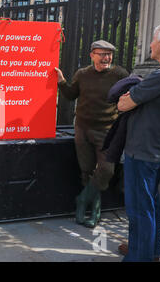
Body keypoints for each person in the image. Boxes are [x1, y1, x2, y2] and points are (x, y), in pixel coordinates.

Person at [117, 21, 160, 262]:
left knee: (140, 210)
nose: (150, 44)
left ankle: (138, 258)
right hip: (159, 150)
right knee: (150, 206)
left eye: (153, 38)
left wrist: (128, 97)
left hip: (143, 152)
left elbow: (122, 104)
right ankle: (148, 252)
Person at [55, 40, 129, 228]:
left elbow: (130, 98)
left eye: (109, 54)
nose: (106, 58)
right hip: (82, 128)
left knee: (106, 169)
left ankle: (82, 200)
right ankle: (93, 212)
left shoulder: (120, 74)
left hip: (107, 130)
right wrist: (62, 82)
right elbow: (71, 95)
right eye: (102, 53)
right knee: (87, 170)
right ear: (92, 55)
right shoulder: (82, 74)